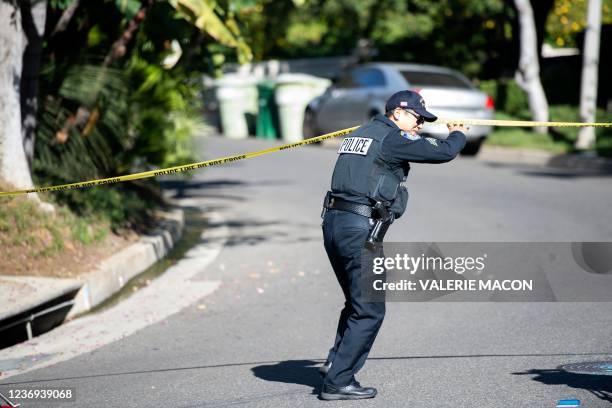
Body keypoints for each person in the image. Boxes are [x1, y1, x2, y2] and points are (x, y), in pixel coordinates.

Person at [318, 90, 467, 400]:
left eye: (424, 121)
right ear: (397, 113)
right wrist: (457, 135)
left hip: (334, 224)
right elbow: (442, 152)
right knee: (370, 310)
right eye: (417, 118)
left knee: (356, 302)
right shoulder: (391, 137)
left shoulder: (362, 133)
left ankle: (336, 361)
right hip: (359, 228)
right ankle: (338, 381)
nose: (419, 126)